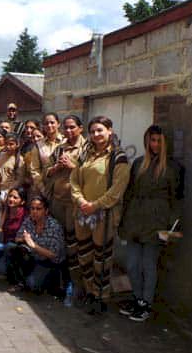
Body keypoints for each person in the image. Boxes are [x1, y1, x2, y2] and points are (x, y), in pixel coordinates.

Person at [119, 125, 182, 322]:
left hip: (157, 221)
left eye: (158, 141)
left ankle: (145, 303)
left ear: (165, 143)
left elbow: (177, 199)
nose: (154, 145)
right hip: (135, 219)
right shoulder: (139, 163)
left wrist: (171, 226)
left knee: (149, 265)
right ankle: (137, 298)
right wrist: (123, 220)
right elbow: (129, 193)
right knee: (131, 264)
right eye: (152, 140)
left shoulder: (173, 167)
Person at [70, 116, 130, 313]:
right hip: (82, 214)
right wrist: (81, 202)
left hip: (104, 216)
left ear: (110, 131)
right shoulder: (85, 155)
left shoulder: (118, 157)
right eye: (93, 131)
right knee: (85, 255)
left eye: (100, 130)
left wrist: (95, 205)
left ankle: (101, 296)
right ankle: (89, 291)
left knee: (102, 258)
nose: (96, 135)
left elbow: (117, 190)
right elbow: (74, 181)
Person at [46, 116, 86, 264]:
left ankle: (73, 276)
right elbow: (46, 172)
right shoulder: (60, 149)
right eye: (66, 128)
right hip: (57, 201)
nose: (68, 130)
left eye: (72, 127)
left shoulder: (87, 147)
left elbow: (91, 174)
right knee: (57, 237)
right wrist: (57, 167)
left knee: (73, 239)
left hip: (74, 203)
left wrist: (72, 166)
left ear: (80, 128)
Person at [7, 196, 66, 294]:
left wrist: (33, 245)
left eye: (38, 209)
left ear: (46, 211)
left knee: (32, 284)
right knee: (10, 247)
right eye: (32, 208)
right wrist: (24, 239)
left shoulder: (54, 226)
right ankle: (21, 281)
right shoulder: (29, 220)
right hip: (33, 258)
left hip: (49, 263)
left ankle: (46, 283)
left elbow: (53, 255)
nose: (34, 211)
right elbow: (17, 238)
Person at [0, 186, 27, 279]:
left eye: (15, 197)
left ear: (22, 201)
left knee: (1, 268)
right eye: (10, 196)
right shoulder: (6, 211)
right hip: (4, 245)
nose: (11, 199)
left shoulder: (25, 215)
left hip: (16, 248)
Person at [28, 113, 64, 197]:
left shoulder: (65, 141)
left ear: (58, 124)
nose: (49, 125)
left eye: (52, 122)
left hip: (64, 190)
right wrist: (43, 189)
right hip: (45, 189)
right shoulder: (38, 145)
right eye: (46, 123)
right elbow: (34, 170)